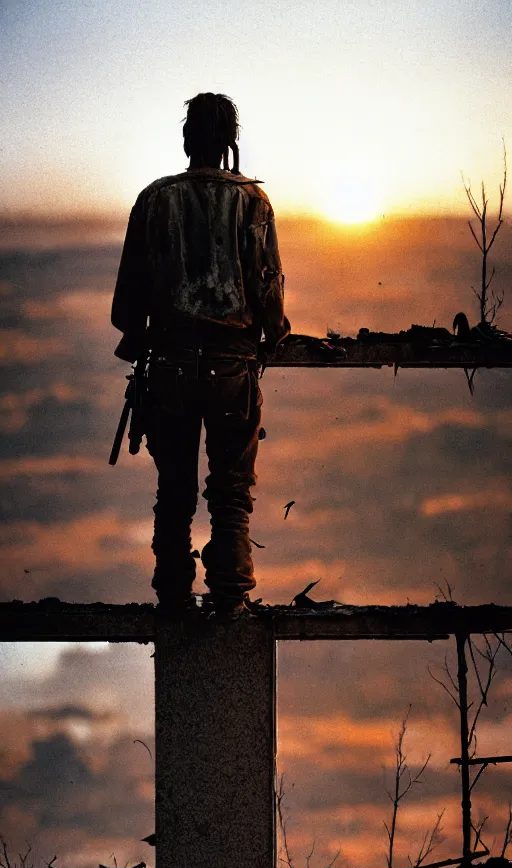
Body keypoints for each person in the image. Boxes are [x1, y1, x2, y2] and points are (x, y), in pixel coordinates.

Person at [111, 92, 290, 619]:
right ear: (230, 141)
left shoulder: (153, 200)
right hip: (233, 369)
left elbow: (127, 307)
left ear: (187, 138)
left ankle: (172, 594)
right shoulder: (253, 202)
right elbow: (267, 293)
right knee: (231, 495)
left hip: (168, 368)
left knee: (175, 491)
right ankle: (231, 598)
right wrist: (271, 335)